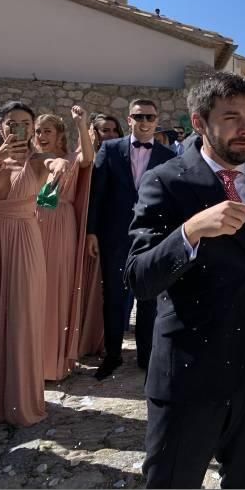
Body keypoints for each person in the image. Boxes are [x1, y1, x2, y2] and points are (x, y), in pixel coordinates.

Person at [126, 73, 245, 488]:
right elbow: (138, 277)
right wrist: (190, 232)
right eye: (231, 117)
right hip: (190, 374)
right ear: (199, 123)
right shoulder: (165, 181)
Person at [0, 101, 69, 427]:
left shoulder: (40, 160)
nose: (19, 128)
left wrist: (58, 166)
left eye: (25, 123)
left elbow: (57, 162)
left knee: (21, 314)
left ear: (32, 128)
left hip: (25, 242)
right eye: (11, 122)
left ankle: (17, 399)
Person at [86, 98, 175, 380]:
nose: (145, 122)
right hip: (114, 235)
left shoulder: (168, 156)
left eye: (150, 117)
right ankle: (112, 355)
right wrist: (91, 231)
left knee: (148, 298)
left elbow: (171, 201)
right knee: (112, 295)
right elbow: (97, 195)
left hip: (152, 238)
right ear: (129, 119)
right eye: (139, 117)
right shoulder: (110, 149)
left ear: (157, 119)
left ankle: (146, 358)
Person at [34, 107, 95, 381]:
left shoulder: (71, 158)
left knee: (56, 289)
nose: (41, 135)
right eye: (38, 131)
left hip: (61, 224)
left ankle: (52, 361)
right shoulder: (31, 160)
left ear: (59, 136)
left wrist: (81, 124)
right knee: (31, 290)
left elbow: (88, 157)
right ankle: (30, 360)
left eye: (47, 130)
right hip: (32, 223)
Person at [79, 114, 122, 357]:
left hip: (106, 228)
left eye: (114, 130)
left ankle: (97, 336)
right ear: (93, 132)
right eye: (104, 130)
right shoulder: (83, 156)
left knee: (101, 285)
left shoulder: (119, 155)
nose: (110, 134)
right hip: (79, 224)